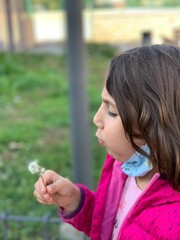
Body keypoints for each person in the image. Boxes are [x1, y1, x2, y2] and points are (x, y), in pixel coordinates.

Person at [34, 44, 180, 239]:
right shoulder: (124, 167)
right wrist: (75, 200)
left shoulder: (173, 224)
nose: (96, 118)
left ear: (154, 125)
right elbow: (114, 223)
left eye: (111, 111)